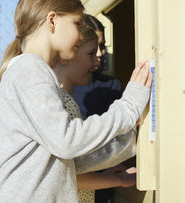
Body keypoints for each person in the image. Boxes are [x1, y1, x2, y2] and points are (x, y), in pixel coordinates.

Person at [0, 0, 152, 202]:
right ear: (52, 21)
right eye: (76, 24)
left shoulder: (29, 70)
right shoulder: (30, 69)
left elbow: (67, 160)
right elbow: (68, 141)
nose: (81, 36)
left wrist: (131, 142)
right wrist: (127, 108)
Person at [53, 23, 138, 203]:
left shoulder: (63, 98)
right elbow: (67, 174)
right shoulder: (60, 102)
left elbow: (74, 168)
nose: (99, 56)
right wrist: (118, 179)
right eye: (91, 53)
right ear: (68, 55)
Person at [72, 14, 126, 203]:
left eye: (103, 46)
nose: (101, 53)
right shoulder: (64, 90)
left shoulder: (111, 86)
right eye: (94, 48)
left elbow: (118, 139)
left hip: (104, 183)